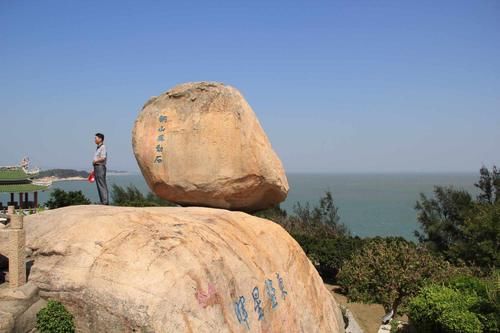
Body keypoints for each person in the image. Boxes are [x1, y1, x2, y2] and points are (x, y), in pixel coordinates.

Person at [93, 133, 109, 205]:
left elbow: (103, 157)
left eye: (96, 138)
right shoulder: (98, 147)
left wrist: (95, 161)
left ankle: (105, 201)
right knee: (99, 184)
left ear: (100, 139)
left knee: (102, 184)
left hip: (100, 166)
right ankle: (102, 201)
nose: (94, 140)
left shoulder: (103, 147)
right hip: (96, 167)